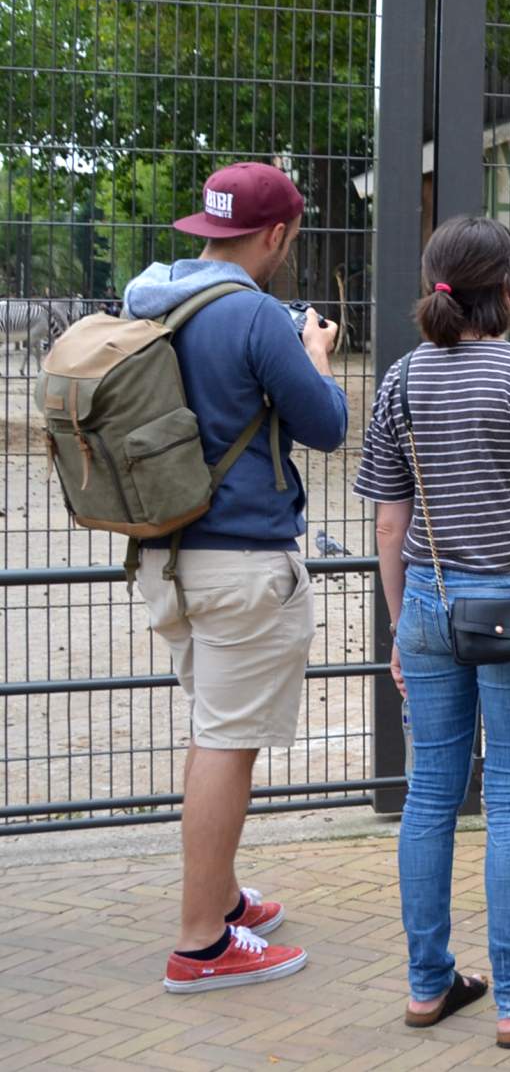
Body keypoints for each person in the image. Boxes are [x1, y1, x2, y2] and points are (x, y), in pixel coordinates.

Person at [352, 215, 510, 1047]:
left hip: (428, 601)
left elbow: (389, 527)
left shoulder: (401, 381)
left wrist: (399, 624)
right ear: (506, 287)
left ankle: (428, 986)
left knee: (429, 795)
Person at [122, 162, 347, 993]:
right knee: (226, 740)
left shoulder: (157, 295)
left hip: (167, 555)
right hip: (242, 562)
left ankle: (222, 901)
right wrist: (314, 354)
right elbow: (325, 427)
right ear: (278, 235)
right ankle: (200, 942)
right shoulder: (256, 317)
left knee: (215, 726)